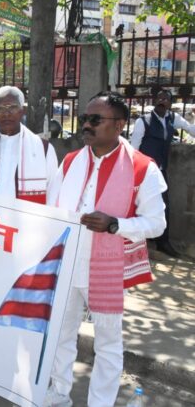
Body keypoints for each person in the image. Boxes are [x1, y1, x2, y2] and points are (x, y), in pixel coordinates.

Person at [45, 92, 167, 407]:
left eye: (95, 119)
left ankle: (100, 403)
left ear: (119, 125)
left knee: (108, 343)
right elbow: (51, 209)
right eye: (85, 118)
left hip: (105, 268)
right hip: (67, 262)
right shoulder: (71, 161)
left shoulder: (142, 168)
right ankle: (58, 394)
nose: (86, 125)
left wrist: (115, 224)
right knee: (60, 334)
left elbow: (156, 224)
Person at [130, 88, 195, 258]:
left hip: (160, 171)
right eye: (159, 98)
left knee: (163, 207)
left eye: (166, 99)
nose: (162, 101)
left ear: (170, 103)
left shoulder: (174, 118)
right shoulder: (144, 121)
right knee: (138, 205)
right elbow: (133, 149)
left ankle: (162, 242)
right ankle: (137, 243)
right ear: (154, 101)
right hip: (143, 171)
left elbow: (191, 130)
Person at [0, 86, 58, 204]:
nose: (6, 114)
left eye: (13, 108)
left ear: (22, 111)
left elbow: (53, 194)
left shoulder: (44, 150)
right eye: (0, 109)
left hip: (27, 214)